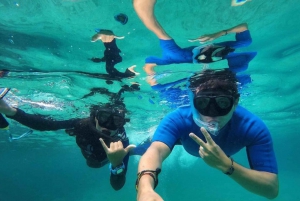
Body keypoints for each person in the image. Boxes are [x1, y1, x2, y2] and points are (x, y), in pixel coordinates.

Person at [136, 69, 278, 200]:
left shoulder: (252, 127)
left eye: (222, 103)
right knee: (152, 144)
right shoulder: (178, 118)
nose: (212, 115)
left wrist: (227, 165)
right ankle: (144, 141)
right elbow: (157, 151)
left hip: (189, 138)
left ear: (235, 102)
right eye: (202, 103)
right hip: (182, 137)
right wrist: (145, 189)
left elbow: (271, 189)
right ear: (192, 102)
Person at [0, 85, 147, 191]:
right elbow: (48, 124)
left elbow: (117, 186)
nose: (108, 126)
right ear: (95, 117)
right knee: (92, 163)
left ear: (121, 123)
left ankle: (136, 149)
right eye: (104, 118)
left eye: (116, 121)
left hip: (103, 160)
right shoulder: (82, 125)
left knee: (121, 154)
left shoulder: (121, 143)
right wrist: (9, 110)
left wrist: (116, 163)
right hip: (92, 159)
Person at [133, 0, 257, 75]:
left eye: (204, 53)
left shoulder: (180, 55)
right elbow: (244, 27)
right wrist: (219, 33)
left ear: (197, 57)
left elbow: (156, 29)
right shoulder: (222, 50)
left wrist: (143, 7)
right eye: (215, 51)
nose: (209, 46)